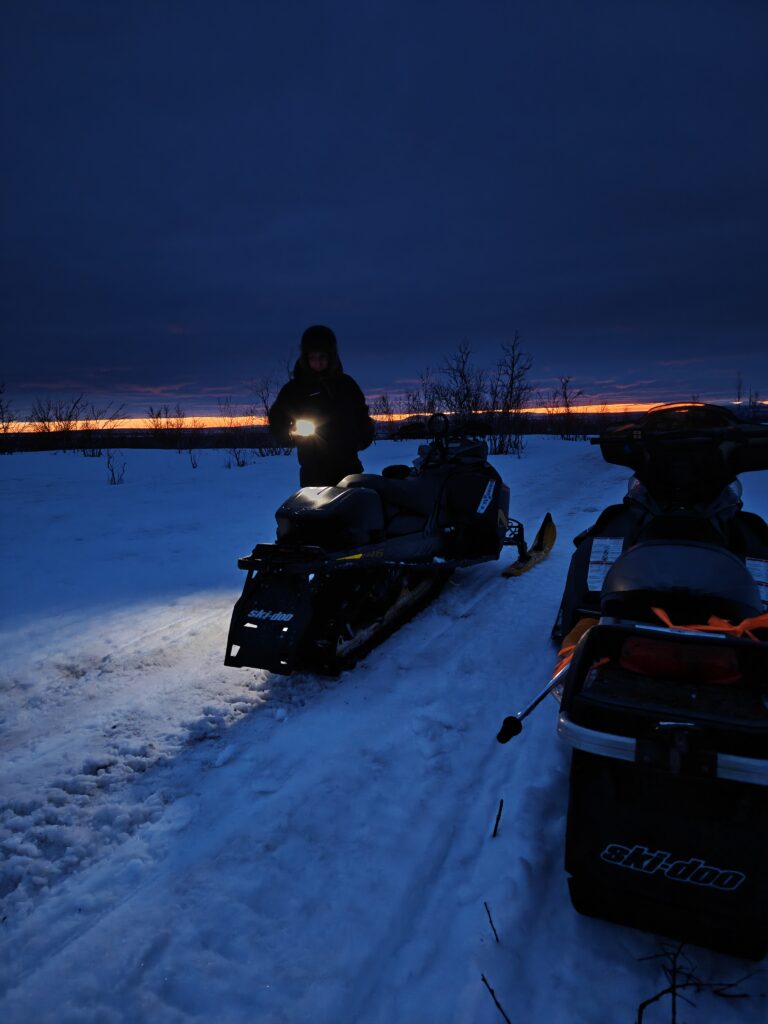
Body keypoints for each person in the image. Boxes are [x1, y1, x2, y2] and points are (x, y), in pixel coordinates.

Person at [268, 325, 375, 487]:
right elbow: (277, 420)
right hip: (314, 472)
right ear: (306, 358)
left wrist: (363, 437)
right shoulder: (294, 390)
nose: (317, 362)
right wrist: (290, 435)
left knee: (354, 510)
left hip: (349, 468)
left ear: (331, 357)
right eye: (313, 357)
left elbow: (362, 415)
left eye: (322, 357)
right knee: (317, 511)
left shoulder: (347, 385)